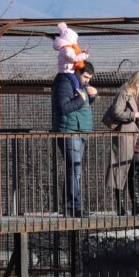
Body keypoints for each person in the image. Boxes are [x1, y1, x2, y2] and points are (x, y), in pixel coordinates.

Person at [103, 71, 139, 216]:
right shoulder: (124, 93)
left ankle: (136, 206)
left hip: (138, 138)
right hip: (125, 137)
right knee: (120, 171)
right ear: (138, 83)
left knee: (135, 173)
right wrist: (135, 115)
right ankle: (120, 207)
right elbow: (116, 112)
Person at [51, 61, 97, 217]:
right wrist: (82, 99)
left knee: (74, 170)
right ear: (77, 71)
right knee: (75, 170)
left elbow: (82, 104)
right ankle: (75, 207)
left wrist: (92, 96)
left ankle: (71, 207)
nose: (87, 81)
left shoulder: (78, 83)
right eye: (85, 77)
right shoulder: (65, 82)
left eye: (89, 78)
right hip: (69, 131)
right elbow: (63, 107)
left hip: (80, 131)